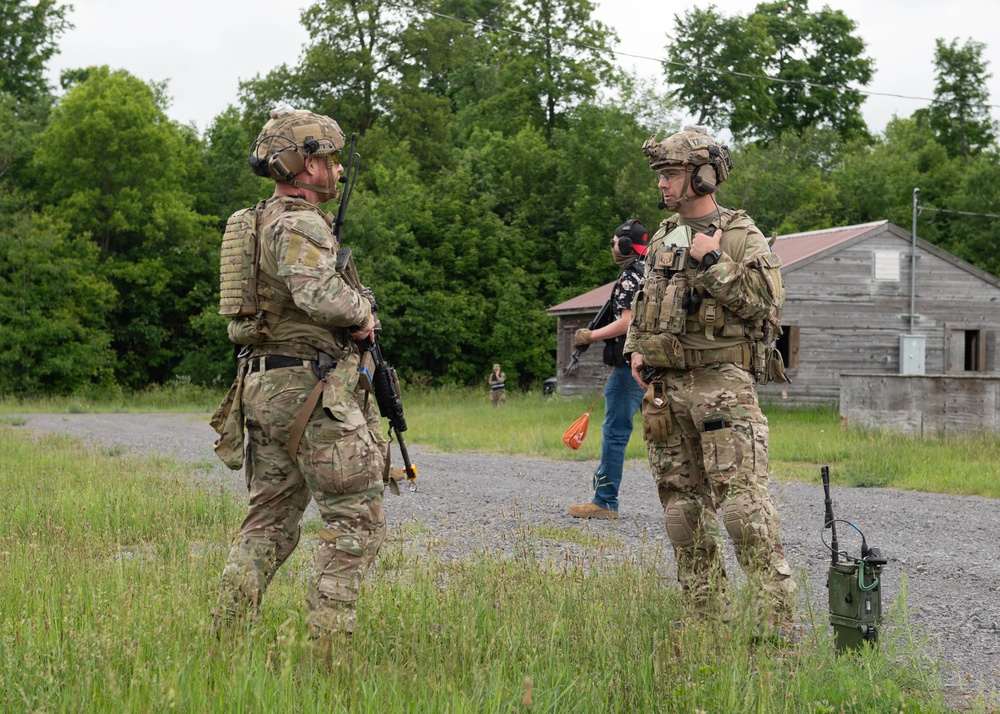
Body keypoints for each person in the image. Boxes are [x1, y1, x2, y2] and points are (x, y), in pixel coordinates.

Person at [211, 106, 386, 647]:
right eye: (328, 160)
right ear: (302, 166)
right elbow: (320, 295)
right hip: (309, 389)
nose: (336, 170)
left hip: (262, 387)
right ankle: (327, 651)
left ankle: (226, 636)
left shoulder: (259, 220)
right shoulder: (298, 221)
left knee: (269, 520)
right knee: (355, 519)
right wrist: (362, 313)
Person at [624, 126, 796, 637]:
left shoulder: (740, 234)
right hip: (666, 389)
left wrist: (712, 261)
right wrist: (636, 347)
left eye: (672, 174)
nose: (663, 185)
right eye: (661, 176)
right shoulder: (662, 235)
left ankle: (775, 625)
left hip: (722, 385)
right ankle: (705, 618)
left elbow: (767, 303)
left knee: (742, 508)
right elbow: (644, 300)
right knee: (682, 510)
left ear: (702, 175)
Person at [567, 220, 649, 520]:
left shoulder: (630, 276)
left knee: (614, 432)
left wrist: (591, 335)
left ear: (627, 246)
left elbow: (627, 321)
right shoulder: (650, 269)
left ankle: (604, 501)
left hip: (629, 366)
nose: (613, 246)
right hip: (651, 363)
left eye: (615, 241)